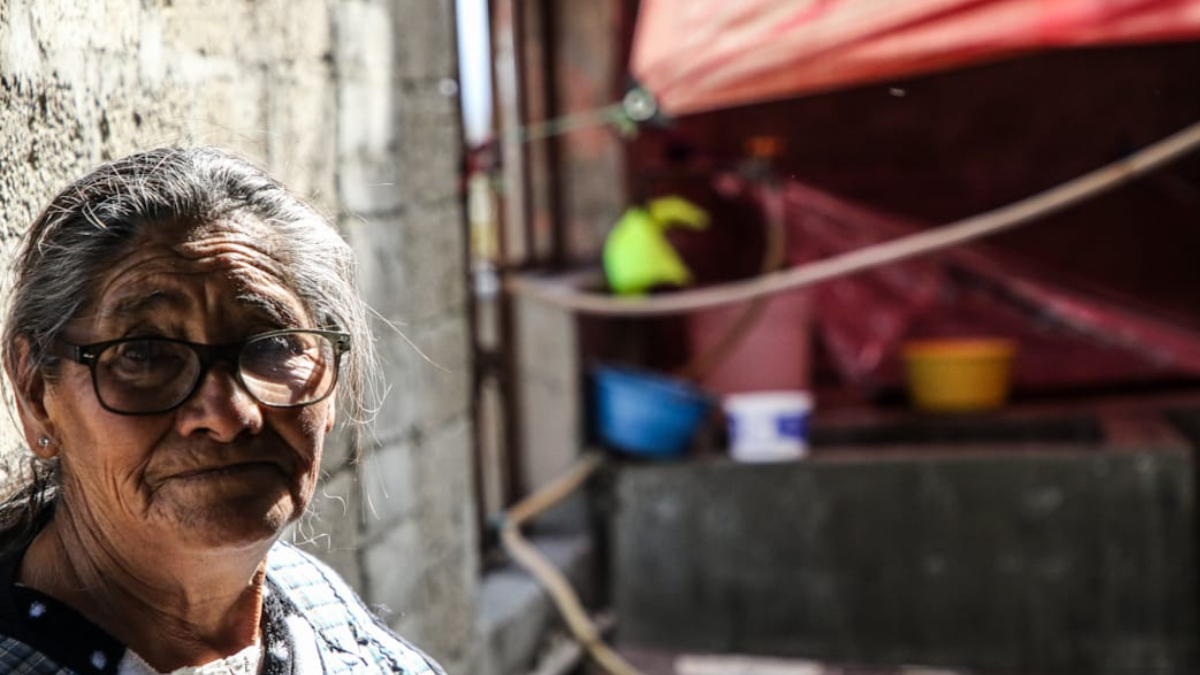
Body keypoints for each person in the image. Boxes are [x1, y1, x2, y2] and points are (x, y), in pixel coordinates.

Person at [0, 147, 445, 675]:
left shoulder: (330, 628)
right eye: (143, 354)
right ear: (35, 395)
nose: (230, 415)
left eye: (275, 345)